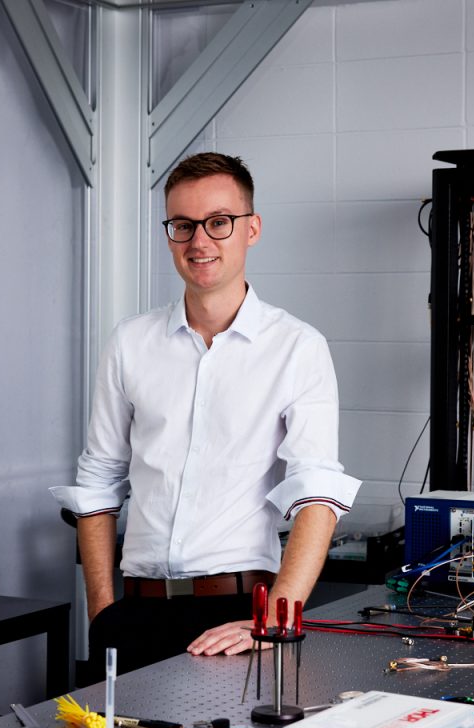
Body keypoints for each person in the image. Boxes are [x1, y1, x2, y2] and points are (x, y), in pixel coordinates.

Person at [51, 153, 361, 681]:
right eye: (183, 225)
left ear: (252, 228)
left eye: (219, 222)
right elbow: (99, 481)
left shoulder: (296, 347)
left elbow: (317, 492)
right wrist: (103, 610)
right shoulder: (131, 342)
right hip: (135, 614)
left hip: (237, 618)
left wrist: (273, 619)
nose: (200, 241)